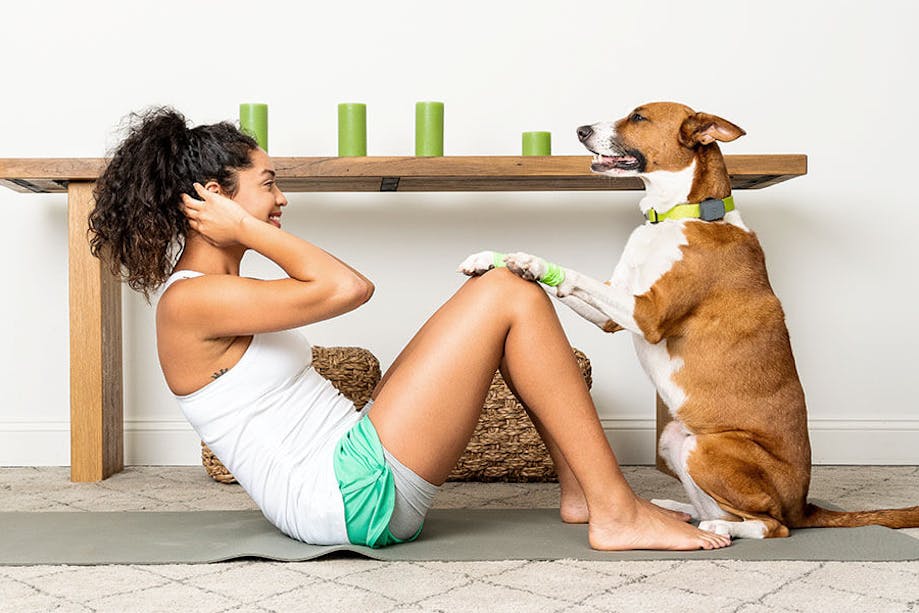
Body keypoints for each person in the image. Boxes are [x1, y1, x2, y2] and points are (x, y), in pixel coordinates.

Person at [88, 107, 730, 551]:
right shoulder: (192, 303)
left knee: (509, 287)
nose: (281, 200)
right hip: (341, 499)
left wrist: (242, 226)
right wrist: (246, 227)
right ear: (213, 197)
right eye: (268, 184)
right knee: (505, 287)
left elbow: (333, 290)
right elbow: (348, 290)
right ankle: (614, 512)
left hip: (349, 470)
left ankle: (587, 497)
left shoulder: (226, 293)